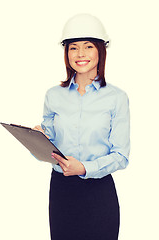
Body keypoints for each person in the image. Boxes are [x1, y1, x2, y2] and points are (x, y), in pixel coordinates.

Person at [34, 13, 130, 240]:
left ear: (100, 51)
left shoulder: (116, 98)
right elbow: (49, 147)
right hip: (61, 192)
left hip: (98, 193)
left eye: (88, 46)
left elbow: (121, 156)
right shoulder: (53, 95)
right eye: (73, 48)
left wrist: (85, 168)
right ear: (66, 53)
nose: (80, 54)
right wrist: (38, 139)